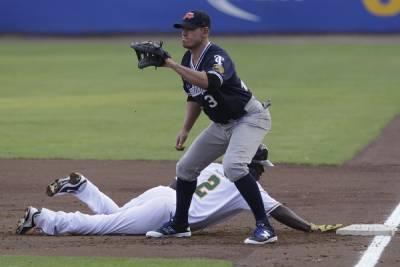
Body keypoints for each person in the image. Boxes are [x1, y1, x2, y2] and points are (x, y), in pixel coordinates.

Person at [145, 10, 277, 244]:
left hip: (250, 118)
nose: (183, 34)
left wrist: (170, 64)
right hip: (222, 124)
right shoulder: (188, 60)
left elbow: (209, 82)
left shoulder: (217, 56)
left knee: (234, 166)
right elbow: (195, 96)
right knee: (185, 168)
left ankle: (265, 227)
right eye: (182, 29)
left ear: (204, 31)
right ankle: (180, 224)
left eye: (189, 29)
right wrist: (185, 128)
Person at [16, 145, 343, 237]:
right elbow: (279, 212)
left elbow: (181, 182)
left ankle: (83, 187)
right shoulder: (248, 187)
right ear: (250, 165)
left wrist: (162, 200)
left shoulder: (216, 167)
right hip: (168, 210)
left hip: (164, 195)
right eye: (259, 167)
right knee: (105, 227)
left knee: (116, 217)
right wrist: (309, 227)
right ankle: (44, 218)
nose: (259, 172)